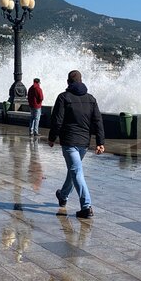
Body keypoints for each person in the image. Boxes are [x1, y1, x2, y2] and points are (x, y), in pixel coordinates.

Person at [48, 70, 105, 218]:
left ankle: (86, 206)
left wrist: (52, 137)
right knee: (74, 170)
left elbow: (57, 120)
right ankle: (63, 195)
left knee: (76, 171)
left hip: (69, 141)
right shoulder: (91, 99)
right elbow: (98, 121)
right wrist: (100, 142)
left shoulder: (63, 97)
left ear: (68, 82)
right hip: (84, 143)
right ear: (81, 81)